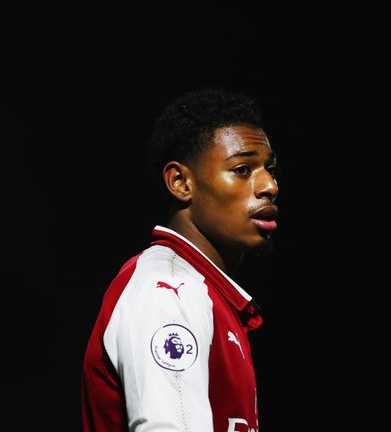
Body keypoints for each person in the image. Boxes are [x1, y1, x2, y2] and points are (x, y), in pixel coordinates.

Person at [81, 88, 279, 432]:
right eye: (243, 169)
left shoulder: (207, 295)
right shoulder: (168, 292)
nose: (269, 186)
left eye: (270, 168)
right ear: (180, 182)